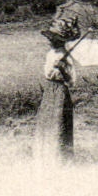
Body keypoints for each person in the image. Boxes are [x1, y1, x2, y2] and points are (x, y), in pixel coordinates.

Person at [33, 27, 75, 160]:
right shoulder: (50, 54)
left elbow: (71, 81)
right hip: (49, 89)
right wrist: (52, 70)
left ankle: (60, 155)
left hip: (60, 90)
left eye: (53, 40)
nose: (50, 42)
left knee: (58, 121)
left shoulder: (67, 58)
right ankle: (44, 152)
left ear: (60, 41)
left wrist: (62, 69)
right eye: (50, 39)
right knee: (47, 119)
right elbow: (47, 73)